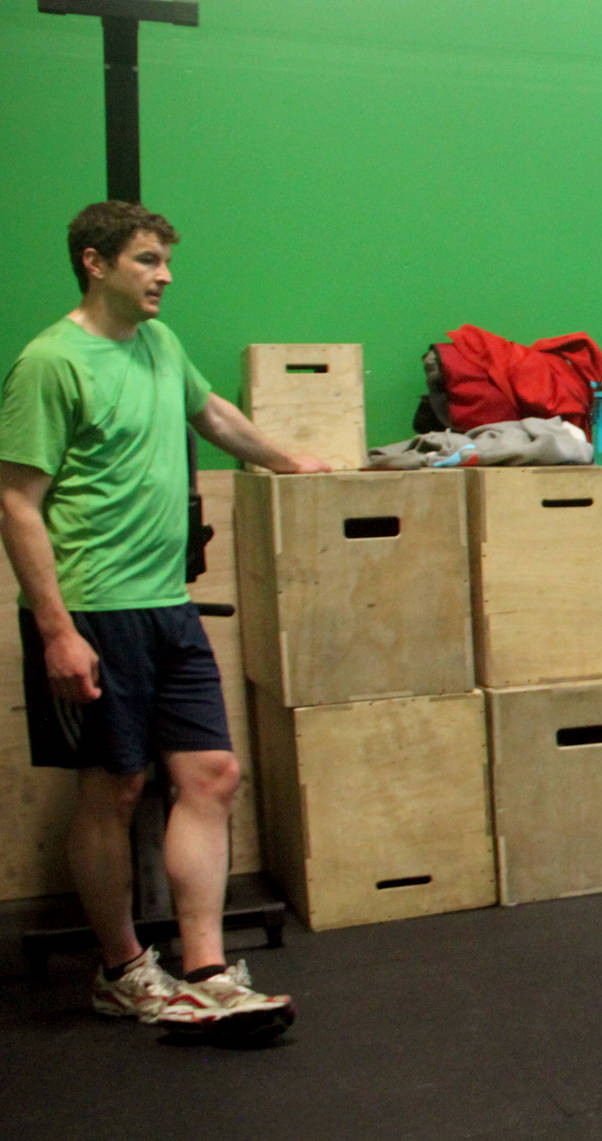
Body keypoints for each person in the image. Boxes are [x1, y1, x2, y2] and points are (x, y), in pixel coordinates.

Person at [0, 201, 331, 1036]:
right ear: (94, 262)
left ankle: (207, 969)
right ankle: (122, 971)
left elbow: (210, 414)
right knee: (117, 788)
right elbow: (15, 501)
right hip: (95, 611)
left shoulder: (158, 344)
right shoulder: (49, 362)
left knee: (212, 775)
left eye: (165, 261)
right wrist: (56, 630)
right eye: (148, 260)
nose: (165, 276)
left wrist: (291, 461)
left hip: (168, 606)